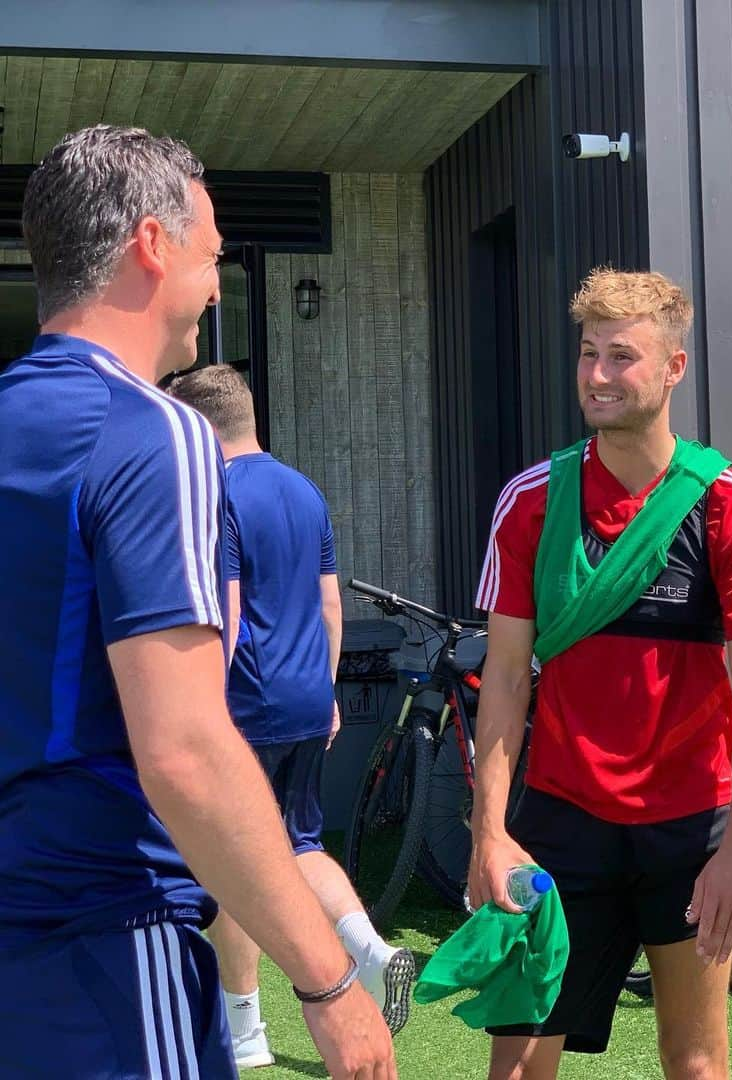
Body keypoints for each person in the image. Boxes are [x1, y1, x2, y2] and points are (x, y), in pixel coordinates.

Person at [0, 125, 396, 1080]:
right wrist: (331, 984)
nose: (217, 286)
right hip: (105, 931)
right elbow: (183, 748)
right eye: (213, 255)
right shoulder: (156, 430)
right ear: (152, 244)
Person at [467, 268, 732, 1080]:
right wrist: (489, 832)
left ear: (674, 367)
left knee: (696, 1062)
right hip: (561, 821)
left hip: (689, 826)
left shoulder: (727, 506)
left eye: (622, 356)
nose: (599, 375)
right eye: (588, 354)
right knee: (517, 1066)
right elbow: (505, 679)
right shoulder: (532, 501)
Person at [167, 364, 415, 1068]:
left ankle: (246, 1028)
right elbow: (331, 604)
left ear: (199, 426)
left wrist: (200, 707)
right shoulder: (305, 491)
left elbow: (230, 610)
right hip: (308, 697)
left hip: (244, 701)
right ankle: (368, 949)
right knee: (299, 843)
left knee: (228, 856)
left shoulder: (214, 495)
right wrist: (326, 690)